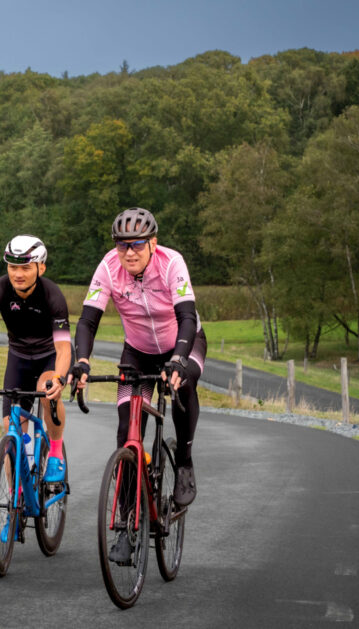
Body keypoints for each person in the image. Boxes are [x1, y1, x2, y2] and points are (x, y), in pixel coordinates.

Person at [70, 207, 207, 510]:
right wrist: (82, 360)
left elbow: (186, 316)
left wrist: (178, 358)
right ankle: (125, 521)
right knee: (126, 433)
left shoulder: (172, 263)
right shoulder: (108, 267)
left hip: (184, 343)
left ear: (152, 244)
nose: (129, 253)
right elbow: (87, 322)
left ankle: (184, 463)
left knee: (183, 384)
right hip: (138, 353)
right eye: (122, 245)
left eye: (137, 245)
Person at [0, 235, 73, 482]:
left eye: (25, 267)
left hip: (49, 357)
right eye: (13, 267)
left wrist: (60, 377)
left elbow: (64, 347)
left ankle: (55, 454)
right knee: (11, 441)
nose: (18, 274)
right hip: (19, 360)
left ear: (40, 268)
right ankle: (15, 509)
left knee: (46, 388)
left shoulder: (52, 294)